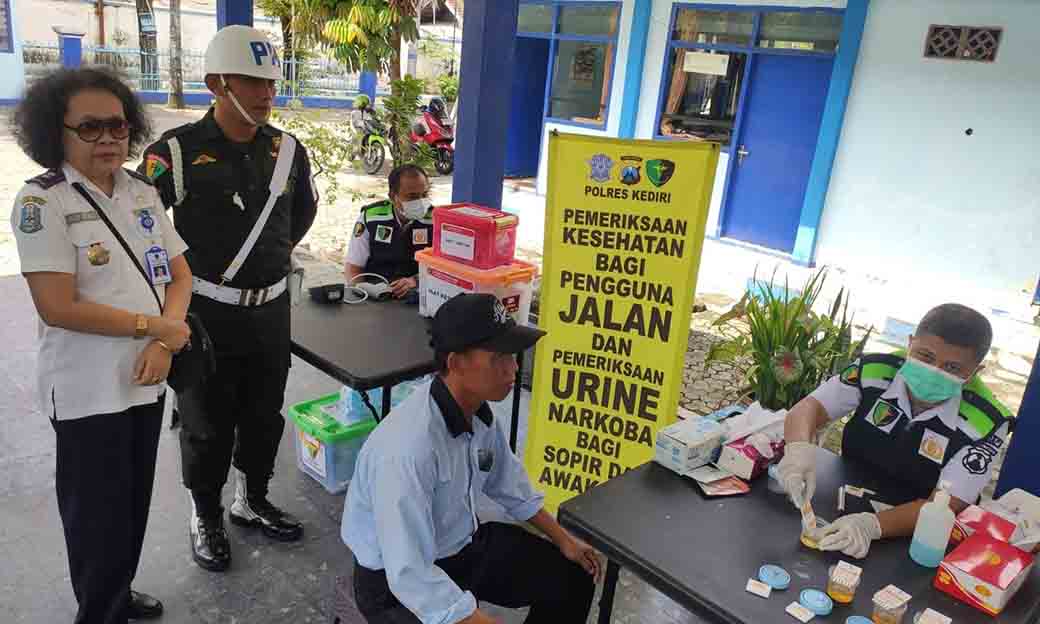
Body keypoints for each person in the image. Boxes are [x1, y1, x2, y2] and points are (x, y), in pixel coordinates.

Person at [10, 67, 192, 623]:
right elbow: (58, 307)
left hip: (145, 377)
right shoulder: (43, 203)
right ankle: (99, 609)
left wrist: (165, 342)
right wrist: (155, 329)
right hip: (88, 390)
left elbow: (180, 275)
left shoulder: (141, 192)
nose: (108, 138)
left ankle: (118, 589)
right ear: (56, 132)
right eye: (89, 128)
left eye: (116, 125)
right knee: (95, 518)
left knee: (134, 503)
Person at [140, 25, 318, 572]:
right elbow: (142, 232)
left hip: (269, 312)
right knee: (206, 423)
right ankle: (206, 513)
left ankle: (253, 498)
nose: (267, 92)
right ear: (217, 82)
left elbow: (300, 214)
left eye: (270, 80)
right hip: (205, 316)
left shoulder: (288, 151)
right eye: (252, 80)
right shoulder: (174, 152)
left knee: (265, 415)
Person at [343, 293, 600, 624]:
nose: (513, 368)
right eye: (498, 358)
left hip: (459, 547)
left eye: (513, 355)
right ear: (455, 363)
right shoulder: (407, 450)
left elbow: (508, 482)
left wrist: (564, 540)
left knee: (571, 577)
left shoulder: (477, 413)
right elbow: (410, 573)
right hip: (394, 586)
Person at [777, 303, 1013, 559]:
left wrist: (871, 526)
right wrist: (799, 450)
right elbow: (810, 408)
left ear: (975, 372)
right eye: (925, 356)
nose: (934, 371)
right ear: (910, 343)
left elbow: (949, 503)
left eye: (952, 368)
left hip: (916, 534)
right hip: (843, 498)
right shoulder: (875, 369)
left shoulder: (988, 421)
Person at [343, 164, 433, 299]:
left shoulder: (435, 220)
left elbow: (445, 269)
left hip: (417, 295)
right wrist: (363, 293)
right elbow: (354, 267)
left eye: (424, 194)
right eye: (412, 196)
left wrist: (416, 281)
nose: (420, 202)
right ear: (393, 196)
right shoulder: (371, 217)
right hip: (375, 293)